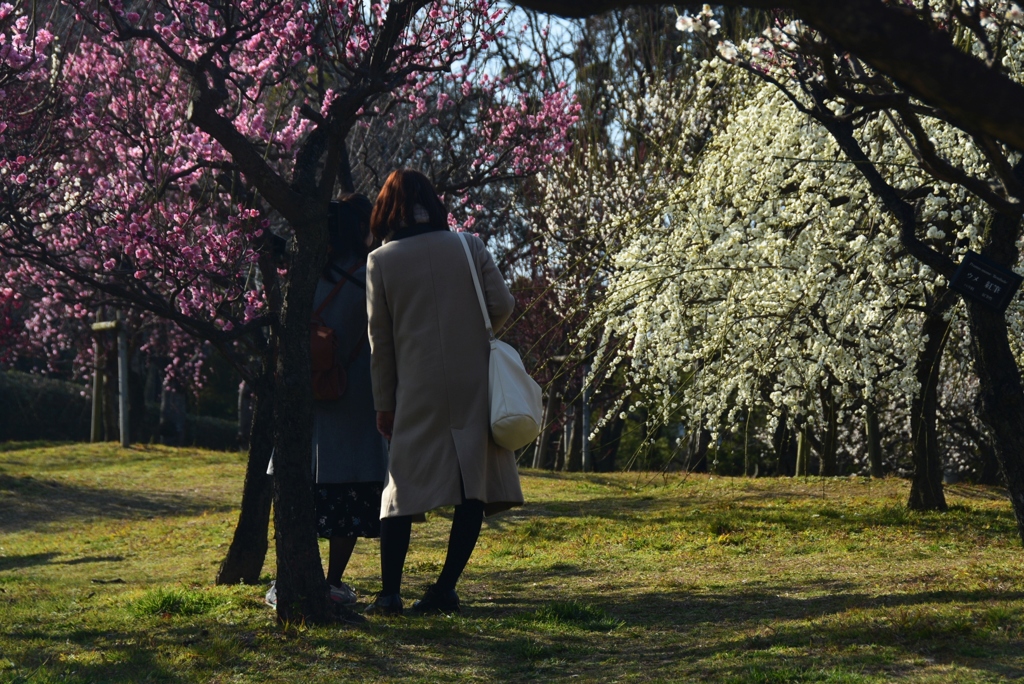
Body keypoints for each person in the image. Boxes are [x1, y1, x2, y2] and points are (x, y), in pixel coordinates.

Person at [363, 169, 525, 617]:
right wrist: (474, 333)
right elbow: (503, 304)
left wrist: (384, 404)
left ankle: (389, 594)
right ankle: (444, 589)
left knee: (400, 487)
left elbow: (381, 344)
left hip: (417, 385)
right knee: (473, 484)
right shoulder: (467, 245)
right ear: (432, 204)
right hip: (472, 378)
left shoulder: (381, 260)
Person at [311, 193, 389, 621]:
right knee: (348, 500)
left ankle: (300, 576)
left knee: (307, 493)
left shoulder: (309, 275)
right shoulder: (371, 276)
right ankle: (332, 582)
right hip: (355, 398)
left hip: (310, 400)